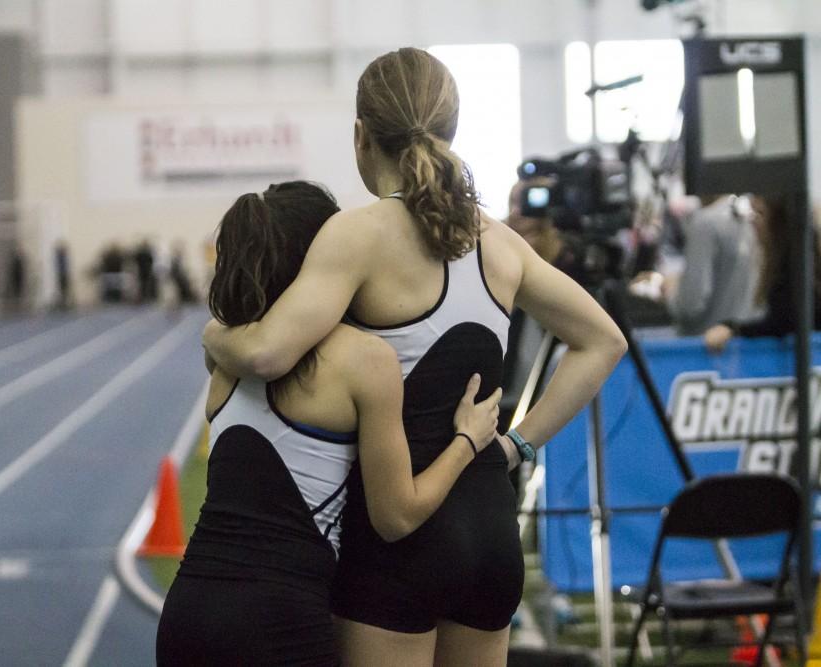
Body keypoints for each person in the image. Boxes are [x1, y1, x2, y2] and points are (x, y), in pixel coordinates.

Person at [202, 48, 626, 665]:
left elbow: (266, 353)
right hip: (488, 527)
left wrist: (215, 337)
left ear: (360, 136)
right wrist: (517, 445)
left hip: (398, 538)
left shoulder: (358, 234)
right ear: (450, 130)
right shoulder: (501, 245)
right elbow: (603, 341)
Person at [156, 181, 504, 666]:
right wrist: (468, 439)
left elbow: (244, 343)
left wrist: (214, 331)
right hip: (279, 621)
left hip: (187, 613)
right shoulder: (363, 360)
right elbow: (397, 516)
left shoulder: (225, 349)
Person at [704, 195, 821, 352]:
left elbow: (784, 320)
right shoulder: (799, 261)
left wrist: (734, 329)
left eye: (759, 214)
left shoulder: (795, 269)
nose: (753, 222)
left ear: (779, 223)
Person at [664, 195, 759, 336]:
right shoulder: (753, 219)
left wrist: (669, 291)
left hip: (705, 348)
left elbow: (690, 304)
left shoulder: (705, 224)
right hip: (749, 345)